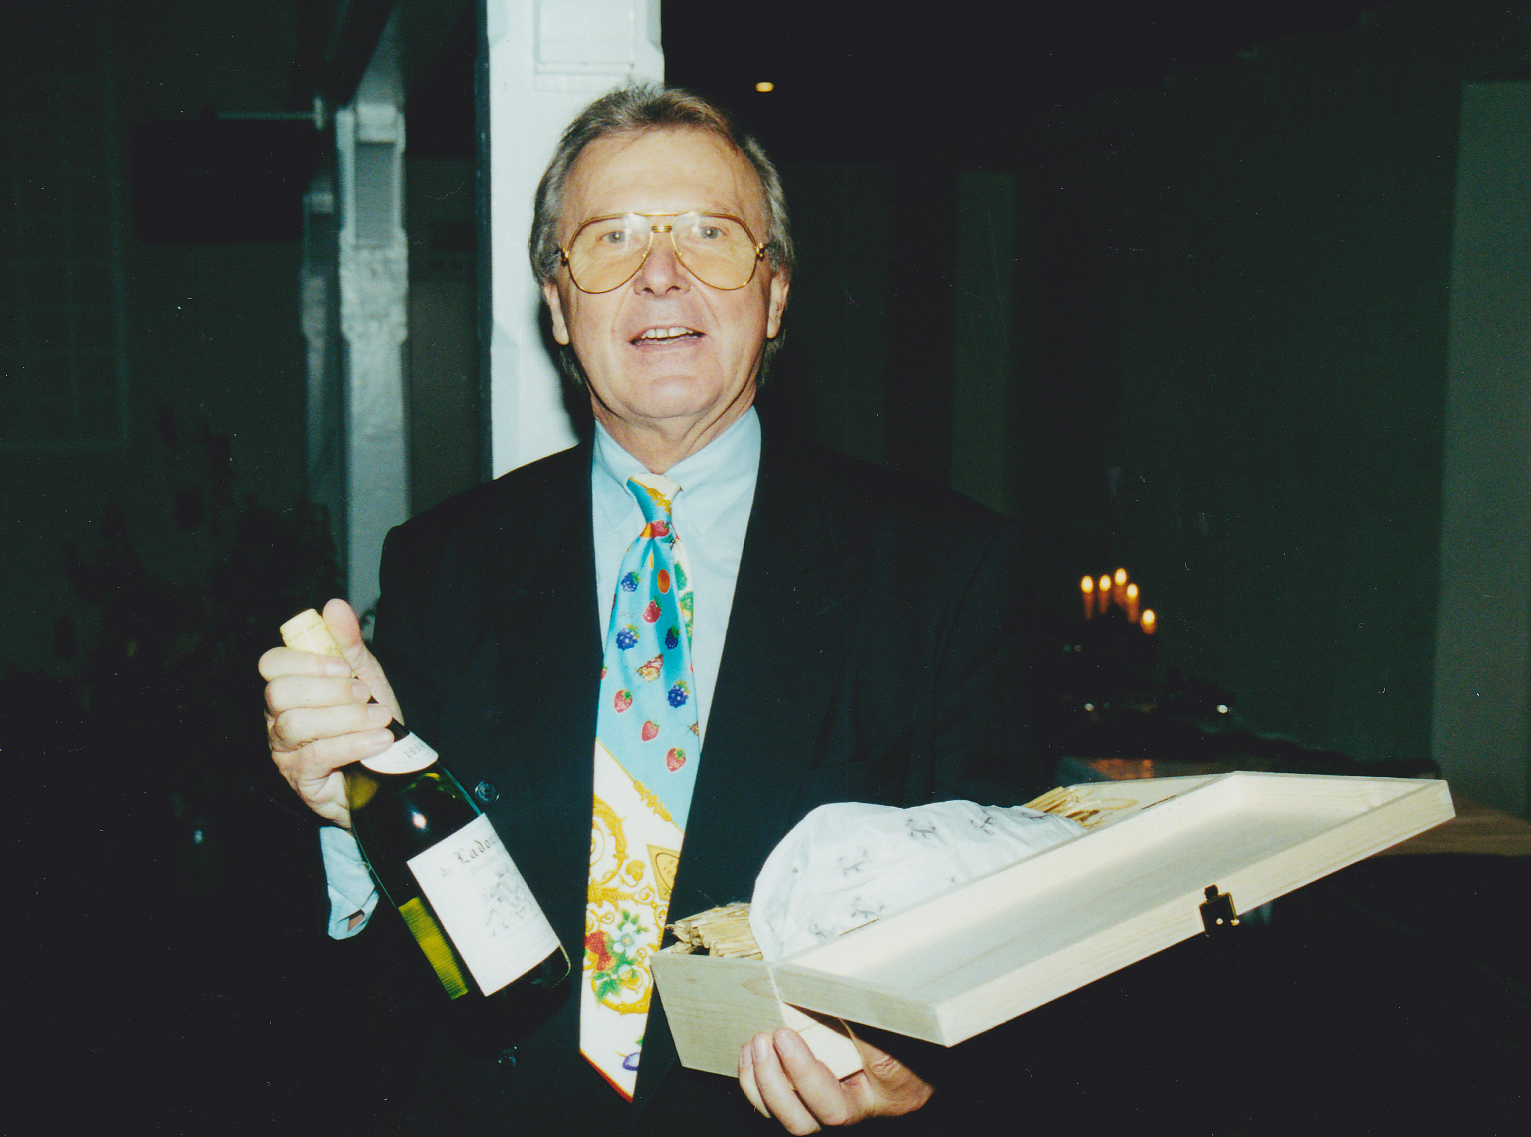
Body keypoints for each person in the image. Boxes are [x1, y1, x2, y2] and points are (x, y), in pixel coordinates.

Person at [261, 84, 1039, 1134]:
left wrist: (921, 1072)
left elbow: (1023, 930)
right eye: (612, 238)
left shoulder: (946, 570)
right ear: (557, 305)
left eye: (709, 234)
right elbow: (391, 988)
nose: (660, 272)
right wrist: (347, 801)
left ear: (773, 294)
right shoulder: (444, 566)